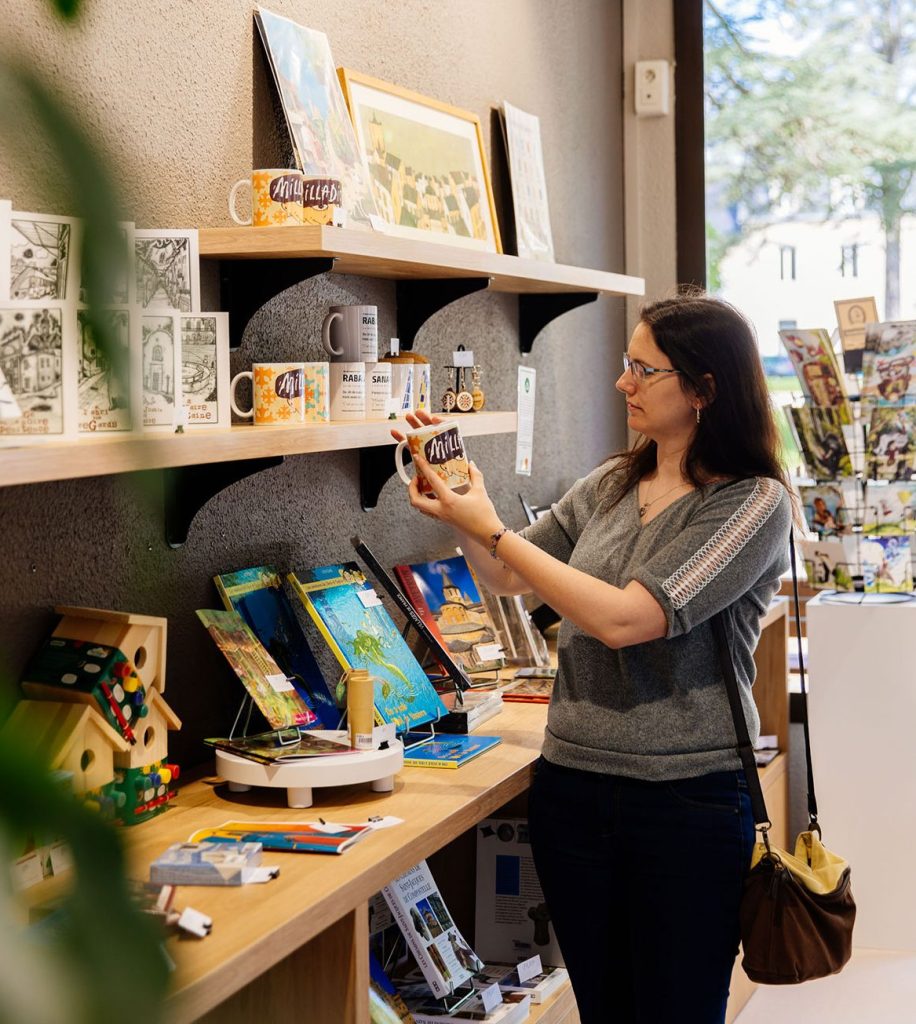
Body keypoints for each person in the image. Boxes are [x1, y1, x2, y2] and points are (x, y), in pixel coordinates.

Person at [392, 293, 793, 1024]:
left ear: (706, 388)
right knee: (604, 1009)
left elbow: (627, 619)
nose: (623, 382)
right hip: (573, 791)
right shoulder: (612, 482)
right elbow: (510, 577)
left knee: (676, 1010)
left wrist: (495, 533)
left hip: (686, 801)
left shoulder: (751, 504)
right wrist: (466, 510)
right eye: (625, 363)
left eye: (644, 368)